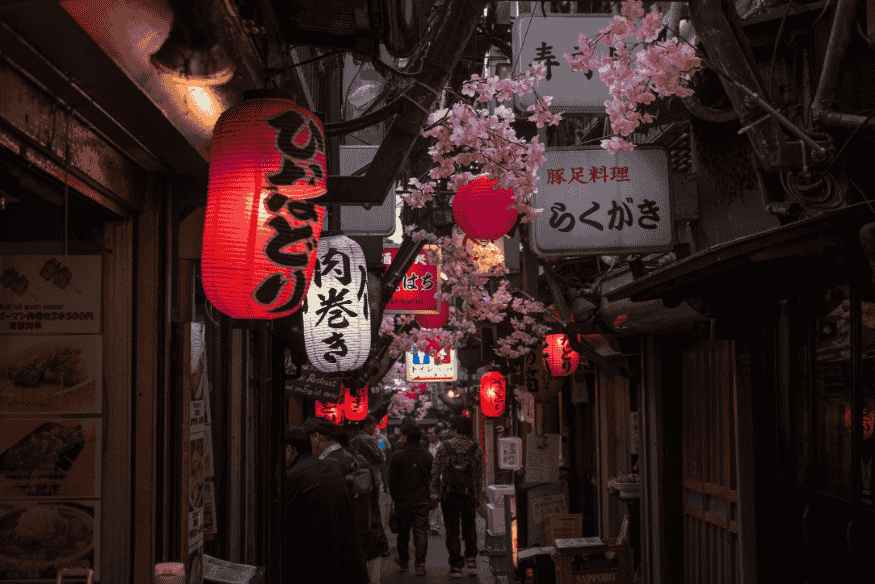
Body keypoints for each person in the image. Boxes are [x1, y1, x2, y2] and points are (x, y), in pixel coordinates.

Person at [304, 417, 388, 583]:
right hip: (368, 539)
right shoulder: (354, 458)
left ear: (316, 438)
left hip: (351, 545)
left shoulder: (330, 466)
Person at [283, 425, 369, 584]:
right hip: (345, 557)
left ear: (289, 449)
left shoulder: (294, 475)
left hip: (315, 559)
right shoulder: (330, 467)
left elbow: (286, 522)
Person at [430, 415, 484, 578]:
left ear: (455, 430)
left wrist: (434, 492)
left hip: (449, 495)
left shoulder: (444, 447)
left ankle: (456, 566)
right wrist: (477, 495)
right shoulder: (476, 449)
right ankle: (471, 561)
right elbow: (478, 476)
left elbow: (435, 472)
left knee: (452, 530)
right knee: (470, 526)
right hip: (468, 495)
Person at [387, 421, 433, 577]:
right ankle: (420, 565)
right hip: (422, 499)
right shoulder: (427, 456)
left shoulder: (397, 456)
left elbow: (391, 481)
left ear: (405, 437)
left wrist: (395, 498)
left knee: (403, 532)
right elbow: (431, 478)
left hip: (403, 500)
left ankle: (404, 561)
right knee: (421, 532)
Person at [426, 426, 444, 535]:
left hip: (442, 477)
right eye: (428, 433)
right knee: (432, 501)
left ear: (437, 435)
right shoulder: (426, 447)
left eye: (431, 433)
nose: (429, 436)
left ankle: (441, 523)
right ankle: (433, 526)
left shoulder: (444, 447)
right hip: (431, 477)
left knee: (441, 501)